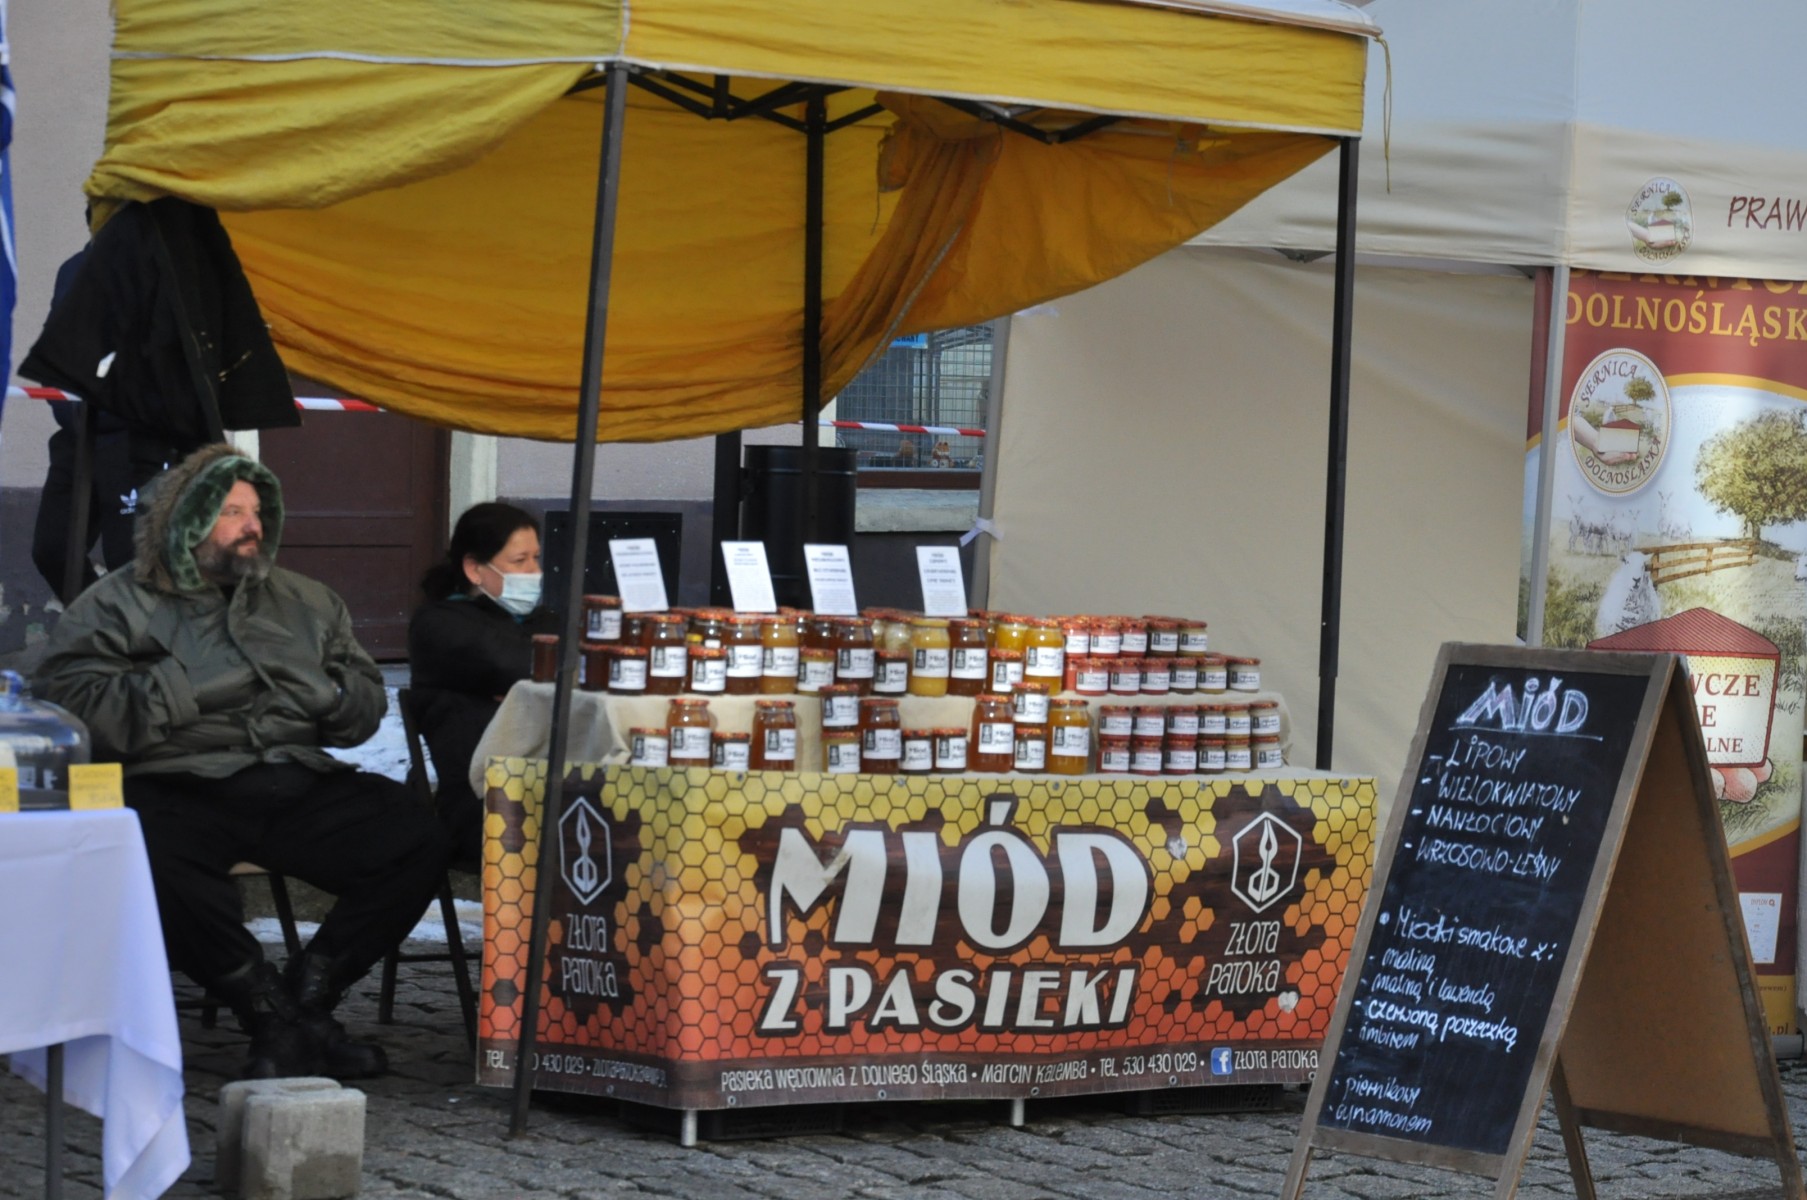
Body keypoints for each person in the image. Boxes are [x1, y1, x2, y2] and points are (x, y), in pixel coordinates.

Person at [34, 444, 451, 1080]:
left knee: (414, 835)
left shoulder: (306, 601)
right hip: (177, 780)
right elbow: (73, 706)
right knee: (148, 853)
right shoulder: (118, 602)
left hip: (292, 777)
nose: (252, 525)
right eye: (231, 511)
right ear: (186, 517)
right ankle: (267, 1012)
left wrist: (331, 697)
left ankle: (306, 999)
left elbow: (364, 707)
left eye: (258, 511)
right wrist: (191, 687)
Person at [407, 503, 558, 861]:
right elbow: (514, 664)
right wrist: (534, 685)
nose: (535, 571)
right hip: (485, 807)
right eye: (519, 561)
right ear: (475, 569)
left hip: (549, 785)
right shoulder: (440, 623)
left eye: (536, 558)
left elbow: (577, 662)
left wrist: (522, 692)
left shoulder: (541, 619)